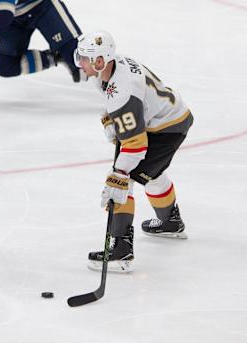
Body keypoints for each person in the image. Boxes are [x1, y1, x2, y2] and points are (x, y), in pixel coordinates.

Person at [74, 31, 194, 273]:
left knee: (123, 180)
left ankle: (120, 251)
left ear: (99, 61)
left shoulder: (123, 91)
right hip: (165, 119)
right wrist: (110, 119)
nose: (80, 62)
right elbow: (114, 101)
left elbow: (136, 145)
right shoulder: (109, 69)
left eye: (85, 58)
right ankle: (170, 221)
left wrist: (118, 174)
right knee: (151, 174)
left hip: (165, 129)